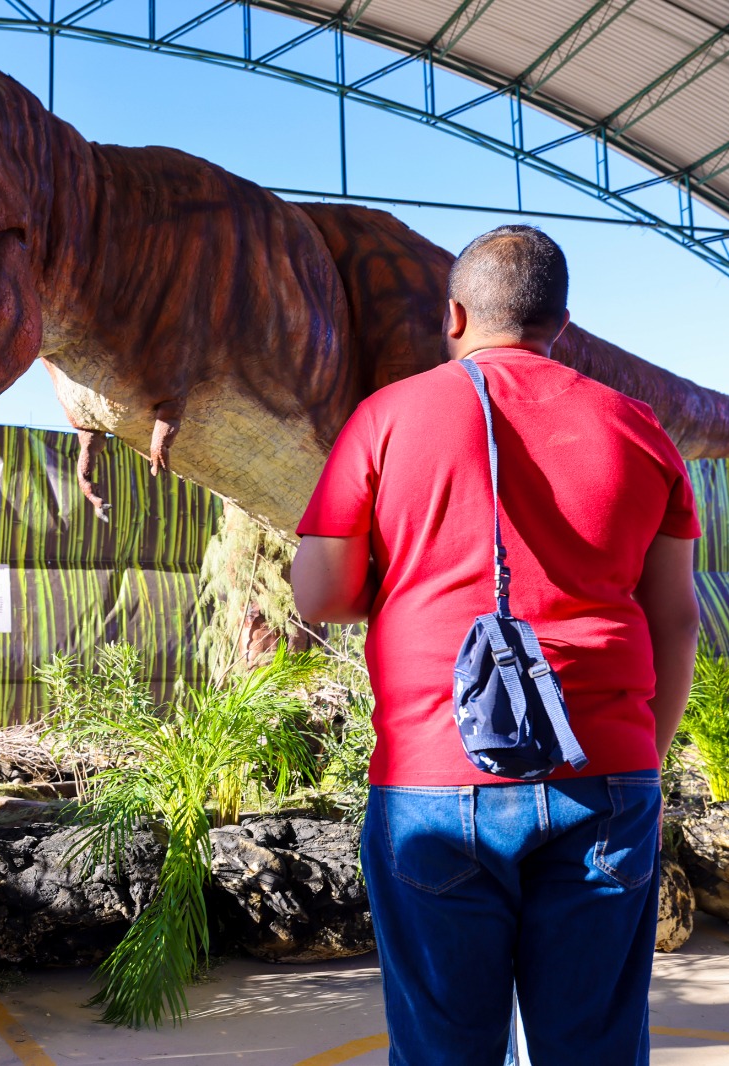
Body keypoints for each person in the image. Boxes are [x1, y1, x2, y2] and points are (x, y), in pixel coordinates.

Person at [291, 225, 701, 1065]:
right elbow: (677, 618)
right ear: (562, 323)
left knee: (445, 1049)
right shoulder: (639, 428)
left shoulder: (386, 417)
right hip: (607, 775)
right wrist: (639, 762)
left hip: (433, 778)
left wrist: (406, 584)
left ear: (454, 315)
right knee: (594, 1048)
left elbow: (321, 595)